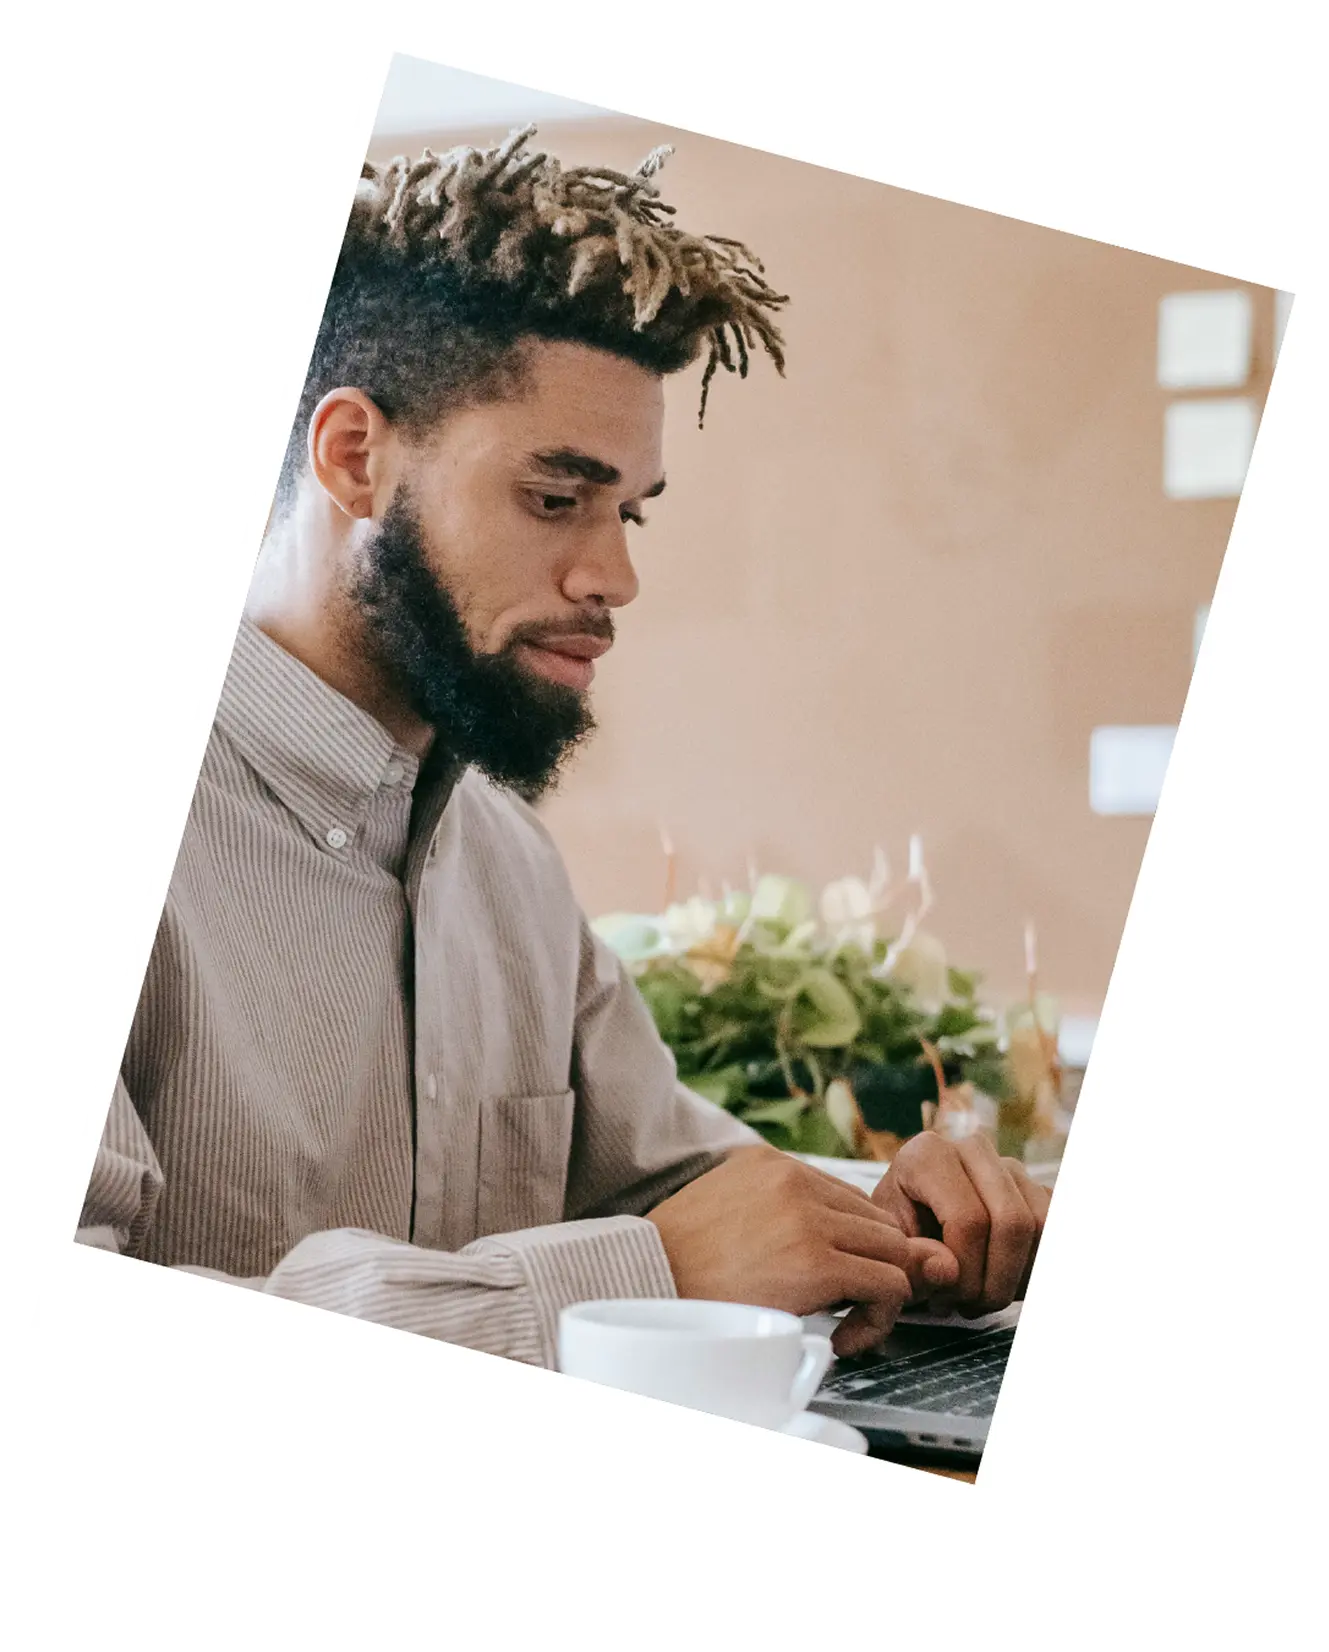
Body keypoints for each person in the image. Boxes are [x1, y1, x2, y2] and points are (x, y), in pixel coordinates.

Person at [80, 127, 1050, 1366]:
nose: (618, 576)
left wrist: (909, 1233)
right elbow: (81, 1330)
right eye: (556, 498)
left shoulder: (507, 862)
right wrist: (639, 1272)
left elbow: (674, 1183)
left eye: (630, 511)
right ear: (354, 455)